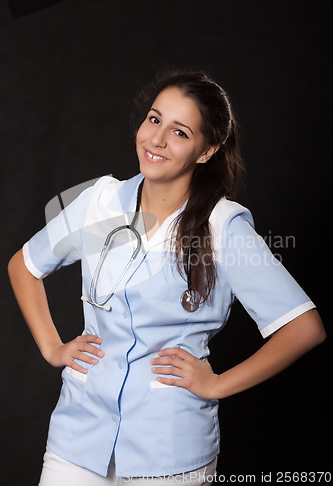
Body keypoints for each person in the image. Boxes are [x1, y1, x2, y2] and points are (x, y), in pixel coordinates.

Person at [8, 70, 326, 486]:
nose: (156, 140)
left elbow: (304, 328)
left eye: (179, 132)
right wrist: (52, 347)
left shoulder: (222, 227)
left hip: (169, 451)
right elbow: (25, 265)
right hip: (77, 439)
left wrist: (217, 384)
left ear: (206, 150)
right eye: (154, 120)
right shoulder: (101, 202)